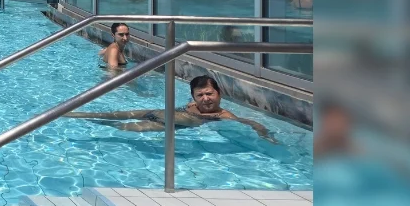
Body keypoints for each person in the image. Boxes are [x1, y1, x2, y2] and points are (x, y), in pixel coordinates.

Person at [64, 76, 279, 143]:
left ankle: (90, 131)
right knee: (112, 115)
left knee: (126, 127)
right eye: (200, 95)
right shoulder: (190, 106)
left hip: (169, 124)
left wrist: (265, 134)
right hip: (163, 113)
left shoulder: (222, 116)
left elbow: (249, 122)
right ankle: (74, 114)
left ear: (219, 94)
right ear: (193, 97)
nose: (205, 99)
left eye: (209, 94)